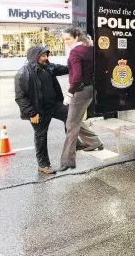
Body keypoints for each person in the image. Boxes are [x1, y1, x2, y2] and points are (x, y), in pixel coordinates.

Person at [14, 46, 88, 174]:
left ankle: (74, 142)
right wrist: (31, 113)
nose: (46, 58)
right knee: (41, 136)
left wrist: (78, 63)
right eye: (43, 56)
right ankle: (43, 165)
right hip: (38, 110)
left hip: (53, 105)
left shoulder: (49, 67)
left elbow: (66, 69)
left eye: (46, 55)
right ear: (34, 57)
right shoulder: (23, 73)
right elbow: (21, 97)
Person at [58, 27, 103, 172]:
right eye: (64, 39)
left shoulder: (75, 52)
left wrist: (69, 93)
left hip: (79, 91)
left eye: (68, 39)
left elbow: (76, 76)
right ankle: (94, 143)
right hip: (90, 88)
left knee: (71, 124)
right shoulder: (89, 48)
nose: (65, 42)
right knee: (75, 121)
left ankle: (67, 161)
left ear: (76, 37)